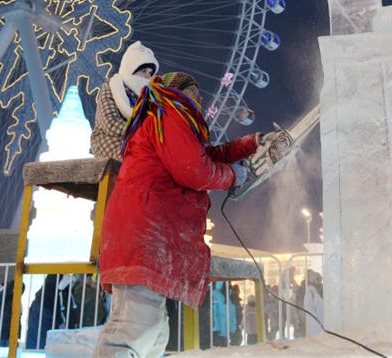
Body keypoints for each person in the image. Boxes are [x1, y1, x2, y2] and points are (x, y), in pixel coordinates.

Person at [95, 72, 271, 358]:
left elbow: (205, 156)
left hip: (145, 234)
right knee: (134, 327)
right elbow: (194, 170)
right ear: (179, 92)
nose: (201, 98)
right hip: (145, 234)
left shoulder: (170, 120)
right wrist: (234, 176)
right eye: (195, 91)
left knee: (153, 332)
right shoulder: (168, 114)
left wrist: (250, 143)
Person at [91, 41, 159, 160]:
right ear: (131, 68)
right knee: (140, 161)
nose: (148, 77)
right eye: (144, 71)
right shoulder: (112, 87)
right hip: (109, 141)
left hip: (137, 142)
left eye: (150, 73)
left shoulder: (146, 98)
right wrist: (144, 133)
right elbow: (110, 123)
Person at [304, 270, 324, 336]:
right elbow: (309, 307)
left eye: (320, 279)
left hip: (321, 319)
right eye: (317, 279)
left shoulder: (323, 288)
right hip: (314, 320)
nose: (319, 281)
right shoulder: (310, 290)